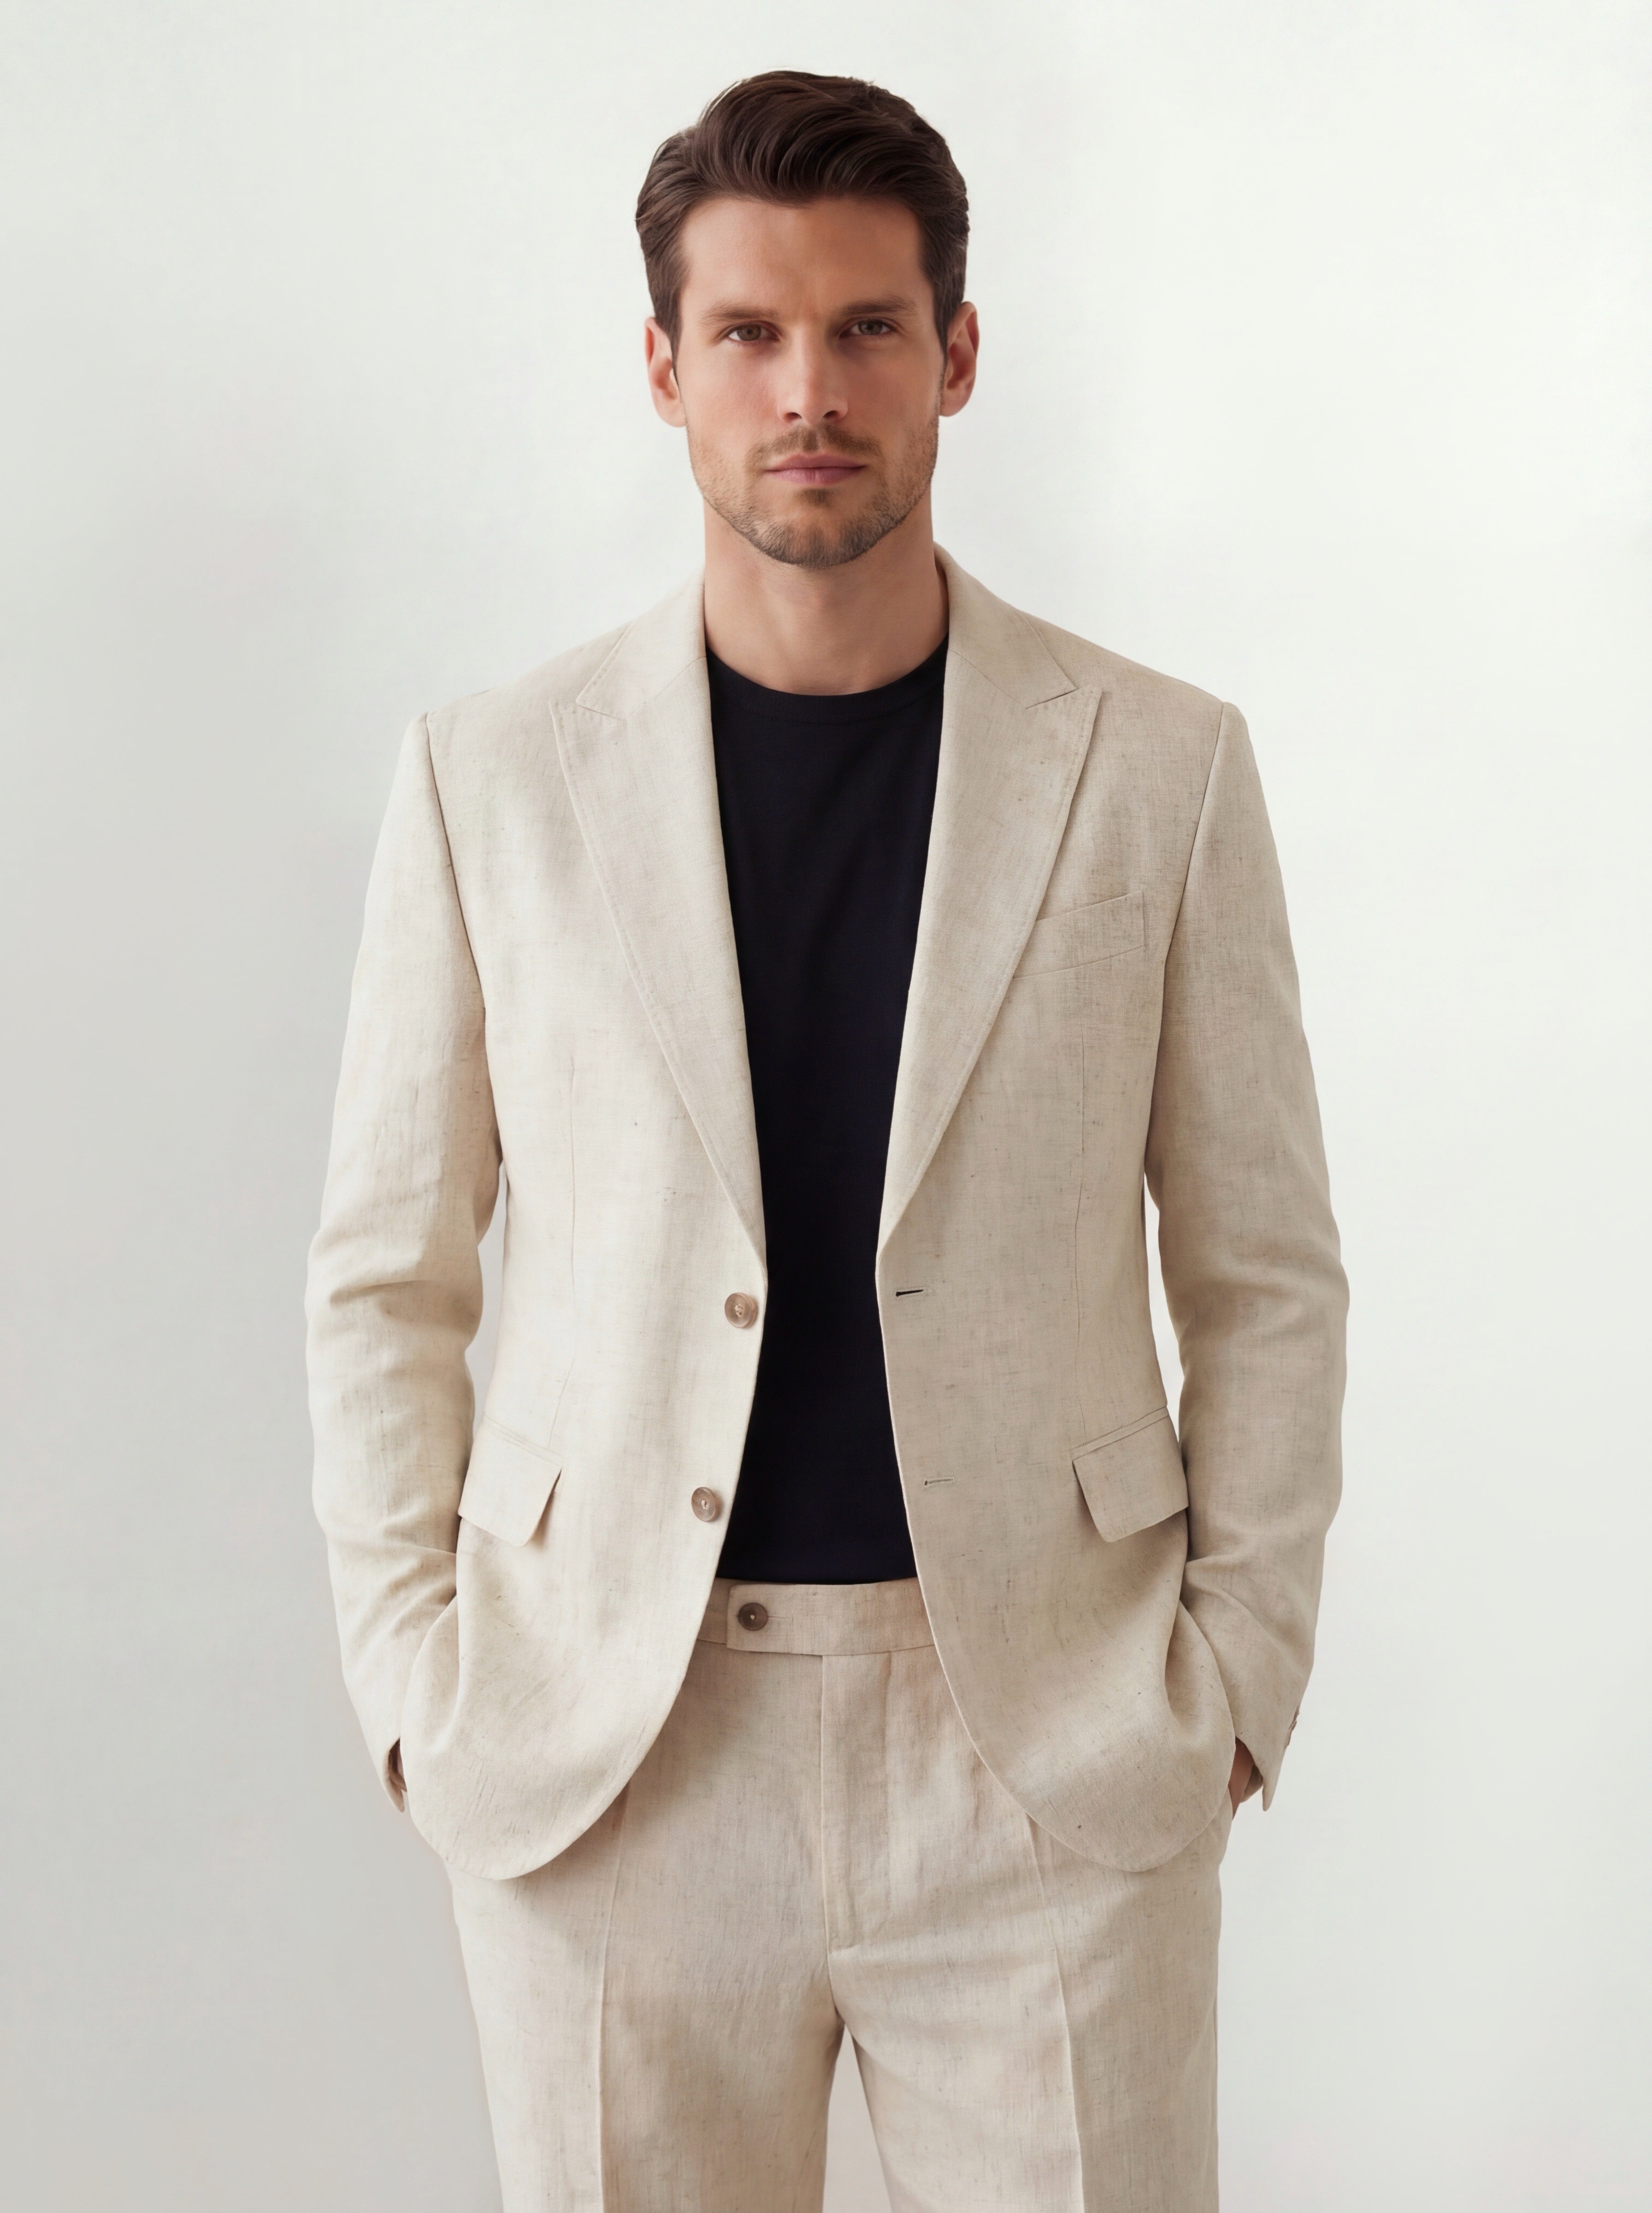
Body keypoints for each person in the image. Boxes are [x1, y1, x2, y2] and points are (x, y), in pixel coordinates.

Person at [306, 68, 1347, 2213]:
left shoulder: (1155, 770)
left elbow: (1262, 1271)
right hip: (612, 1751)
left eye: (866, 328)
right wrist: (417, 1682)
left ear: (953, 356)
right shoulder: (490, 779)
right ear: (663, 369)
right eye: (750, 334)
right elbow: (385, 1275)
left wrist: (1234, 1675)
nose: (808, 390)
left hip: (1046, 1750)